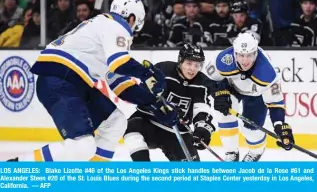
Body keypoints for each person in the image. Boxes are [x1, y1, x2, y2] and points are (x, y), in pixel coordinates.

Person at [6, 0, 176, 162]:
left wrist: (154, 104)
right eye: (135, 25)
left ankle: (92, 174)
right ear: (132, 18)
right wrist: (148, 73)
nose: (133, 30)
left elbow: (122, 86)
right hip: (60, 79)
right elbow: (121, 63)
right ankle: (15, 168)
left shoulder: (103, 32)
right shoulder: (116, 25)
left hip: (71, 81)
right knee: (83, 146)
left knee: (115, 122)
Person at [203, 32, 295, 162]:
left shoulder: (268, 73)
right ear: (235, 53)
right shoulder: (224, 59)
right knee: (223, 111)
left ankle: (256, 151)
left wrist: (279, 126)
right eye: (241, 55)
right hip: (231, 88)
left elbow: (276, 104)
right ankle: (231, 152)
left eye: (249, 55)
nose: (245, 61)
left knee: (250, 130)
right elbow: (206, 79)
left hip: (256, 95)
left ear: (256, 53)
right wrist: (217, 92)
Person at [123, 44, 216, 162]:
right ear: (180, 61)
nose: (192, 69)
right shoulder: (163, 70)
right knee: (131, 127)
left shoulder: (202, 83)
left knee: (193, 175)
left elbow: (201, 107)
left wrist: (203, 128)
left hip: (177, 130)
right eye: (189, 63)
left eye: (197, 65)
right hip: (150, 121)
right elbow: (143, 94)